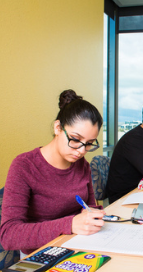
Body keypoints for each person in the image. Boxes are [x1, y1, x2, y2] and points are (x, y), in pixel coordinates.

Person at [0, 89, 105, 256]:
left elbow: (89, 207)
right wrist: (70, 224)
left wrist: (93, 215)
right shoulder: (24, 166)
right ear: (58, 127)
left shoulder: (81, 165)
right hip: (39, 254)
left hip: (78, 245)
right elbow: (9, 235)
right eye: (75, 139)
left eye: (89, 143)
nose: (81, 150)